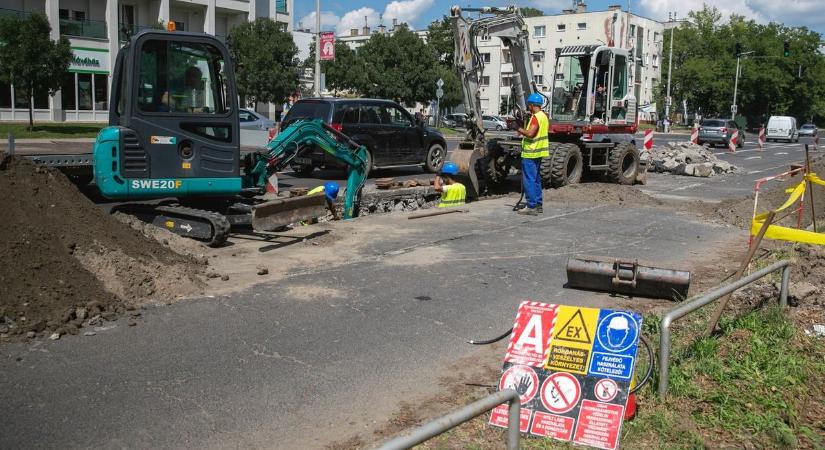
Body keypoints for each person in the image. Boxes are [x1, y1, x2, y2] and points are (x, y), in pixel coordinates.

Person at [513, 93, 549, 215]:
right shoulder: (543, 116)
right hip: (539, 152)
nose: (528, 107)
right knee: (536, 179)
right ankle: (538, 204)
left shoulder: (536, 117)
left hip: (530, 153)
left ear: (532, 105)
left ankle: (531, 206)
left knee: (529, 180)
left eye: (529, 105)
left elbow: (530, 133)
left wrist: (517, 128)